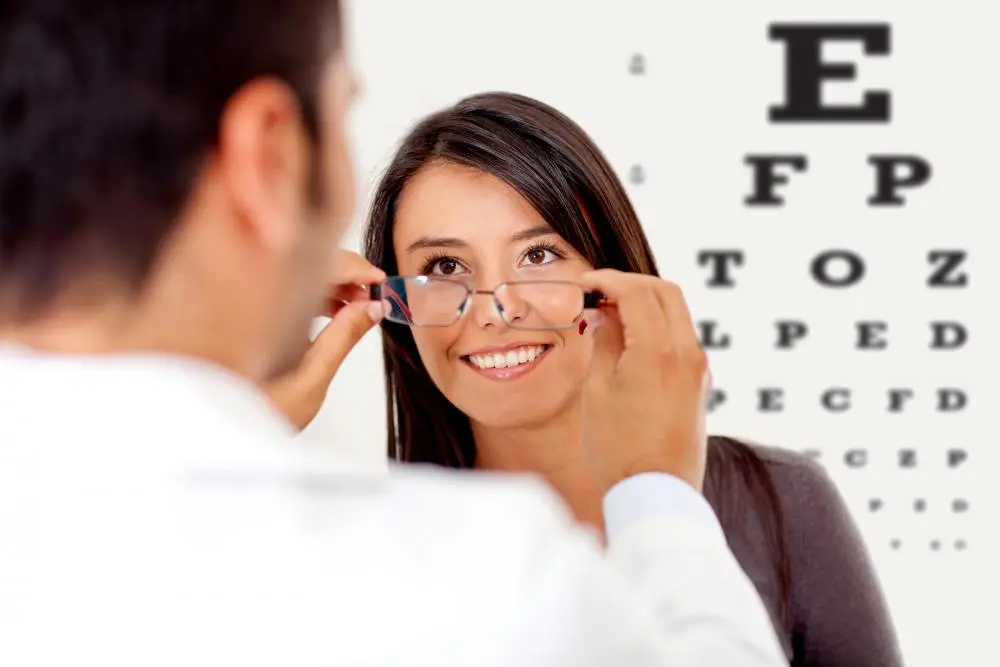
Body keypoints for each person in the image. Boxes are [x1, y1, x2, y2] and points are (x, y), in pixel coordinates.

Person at [0, 2, 787, 666]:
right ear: (269, 154)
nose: (493, 307)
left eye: (540, 253)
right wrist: (657, 493)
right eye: (342, 112)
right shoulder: (472, 579)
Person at [360, 91, 904, 667]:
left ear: (615, 275)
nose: (498, 309)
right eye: (444, 267)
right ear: (397, 309)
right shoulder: (363, 552)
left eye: (539, 255)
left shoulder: (779, 500)